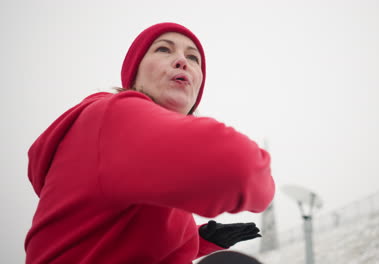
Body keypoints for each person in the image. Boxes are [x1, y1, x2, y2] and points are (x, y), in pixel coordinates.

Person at [25, 22, 275, 263]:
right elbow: (241, 169)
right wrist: (264, 178)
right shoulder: (113, 117)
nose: (182, 61)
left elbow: (121, 244)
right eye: (164, 49)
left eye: (193, 58)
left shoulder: (148, 160)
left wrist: (201, 239)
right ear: (134, 75)